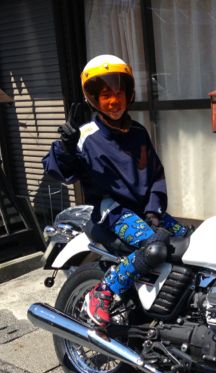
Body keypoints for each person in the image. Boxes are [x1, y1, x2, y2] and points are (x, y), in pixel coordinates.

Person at [42, 54, 188, 329]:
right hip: (113, 211)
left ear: (128, 93)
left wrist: (154, 210)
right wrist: (65, 147)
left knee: (188, 241)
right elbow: (57, 171)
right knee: (154, 248)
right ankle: (103, 293)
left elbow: (155, 175)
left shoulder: (138, 132)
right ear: (93, 99)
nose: (113, 101)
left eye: (118, 93)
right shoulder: (85, 136)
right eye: (105, 95)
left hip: (144, 210)